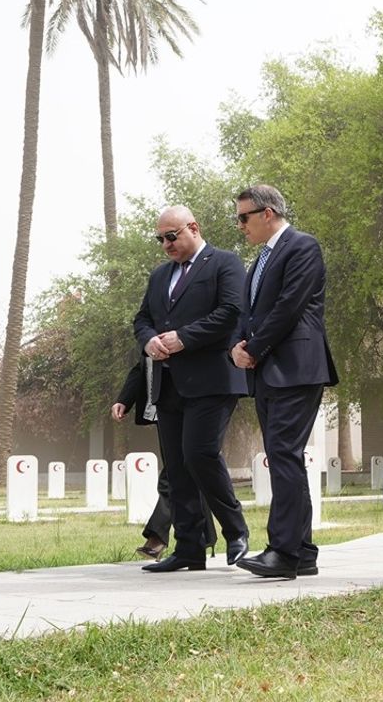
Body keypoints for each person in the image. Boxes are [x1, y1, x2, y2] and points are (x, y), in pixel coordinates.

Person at [133, 205, 250, 573]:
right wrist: (149, 340)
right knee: (178, 467)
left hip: (212, 379)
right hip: (169, 385)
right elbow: (142, 319)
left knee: (199, 454)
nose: (166, 244)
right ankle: (189, 548)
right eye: (160, 239)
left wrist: (185, 337)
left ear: (193, 228)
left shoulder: (224, 263)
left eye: (172, 236)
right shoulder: (159, 277)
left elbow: (232, 311)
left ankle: (236, 531)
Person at [231, 184, 338, 579]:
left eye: (244, 217)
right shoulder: (259, 261)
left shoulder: (302, 247)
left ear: (268, 213)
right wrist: (237, 348)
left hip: (297, 367)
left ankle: (283, 552)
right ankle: (304, 551)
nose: (240, 225)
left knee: (283, 455)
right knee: (283, 456)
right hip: (266, 369)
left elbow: (288, 308)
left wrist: (254, 348)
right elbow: (249, 312)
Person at [110, 356, 215, 559]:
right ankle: (204, 536)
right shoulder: (151, 328)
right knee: (187, 470)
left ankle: (158, 535)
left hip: (194, 402)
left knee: (178, 471)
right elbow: (142, 366)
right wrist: (124, 399)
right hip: (163, 407)